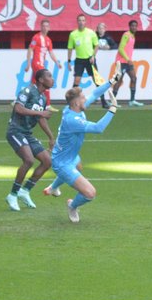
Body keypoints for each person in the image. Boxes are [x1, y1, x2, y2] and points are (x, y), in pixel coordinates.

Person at [49, 82, 119, 223]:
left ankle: (53, 187)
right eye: (82, 98)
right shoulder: (72, 120)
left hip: (69, 156)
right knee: (90, 193)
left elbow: (94, 94)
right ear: (76, 102)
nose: (85, 99)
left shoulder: (72, 109)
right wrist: (113, 108)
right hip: (62, 164)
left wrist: (111, 81)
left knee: (78, 166)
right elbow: (98, 128)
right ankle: (72, 206)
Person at [5, 68, 56, 211]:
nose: (52, 79)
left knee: (47, 161)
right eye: (49, 76)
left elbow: (41, 118)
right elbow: (18, 109)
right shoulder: (27, 91)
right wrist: (40, 113)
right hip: (15, 131)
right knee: (29, 160)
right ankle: (12, 195)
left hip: (27, 133)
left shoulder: (43, 98)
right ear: (41, 80)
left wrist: (51, 137)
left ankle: (25, 191)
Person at [109, 19, 143, 107]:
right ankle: (112, 101)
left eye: (135, 26)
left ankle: (132, 100)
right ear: (129, 26)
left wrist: (128, 60)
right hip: (121, 62)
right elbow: (120, 49)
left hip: (127, 62)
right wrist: (128, 59)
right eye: (132, 26)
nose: (134, 27)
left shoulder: (133, 36)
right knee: (119, 80)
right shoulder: (126, 35)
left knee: (134, 78)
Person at [28, 19, 62, 103]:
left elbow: (51, 52)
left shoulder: (48, 40)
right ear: (41, 27)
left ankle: (21, 99)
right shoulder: (36, 37)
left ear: (49, 28)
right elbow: (30, 49)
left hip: (41, 63)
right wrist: (28, 63)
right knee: (46, 80)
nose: (45, 28)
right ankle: (48, 104)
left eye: (46, 26)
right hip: (37, 63)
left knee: (33, 84)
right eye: (43, 26)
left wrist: (57, 62)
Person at [66, 14, 100, 89]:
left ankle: (102, 96)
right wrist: (69, 61)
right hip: (79, 60)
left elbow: (97, 45)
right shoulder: (73, 34)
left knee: (96, 80)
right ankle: (72, 96)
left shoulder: (91, 32)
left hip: (90, 59)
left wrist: (93, 56)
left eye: (83, 20)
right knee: (77, 80)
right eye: (80, 20)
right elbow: (70, 48)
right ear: (77, 22)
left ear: (85, 22)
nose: (81, 22)